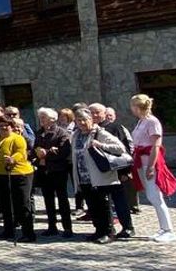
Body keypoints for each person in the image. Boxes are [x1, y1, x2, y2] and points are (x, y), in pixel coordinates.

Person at [70, 108, 129, 244]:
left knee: (103, 205)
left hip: (99, 176)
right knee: (92, 206)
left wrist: (100, 144)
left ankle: (108, 232)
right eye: (79, 120)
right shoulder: (76, 135)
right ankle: (98, 230)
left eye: (85, 120)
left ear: (91, 120)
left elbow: (120, 148)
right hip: (83, 177)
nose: (82, 123)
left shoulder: (99, 133)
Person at [129, 94, 176, 243]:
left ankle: (169, 230)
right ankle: (163, 228)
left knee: (155, 196)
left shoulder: (152, 122)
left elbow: (156, 146)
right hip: (140, 162)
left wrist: (151, 166)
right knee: (151, 196)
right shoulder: (141, 122)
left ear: (137, 107)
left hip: (148, 162)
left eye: (132, 106)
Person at [89, 103, 136, 239]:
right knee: (104, 203)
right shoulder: (90, 130)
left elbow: (126, 150)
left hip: (116, 171)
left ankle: (128, 227)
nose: (95, 115)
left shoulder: (114, 127)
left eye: (97, 112)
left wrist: (126, 171)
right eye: (92, 113)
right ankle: (109, 229)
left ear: (104, 113)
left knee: (120, 201)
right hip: (99, 172)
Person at [34, 108, 74, 238]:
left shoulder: (61, 133)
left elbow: (64, 152)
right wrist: (38, 155)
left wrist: (47, 154)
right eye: (41, 117)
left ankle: (67, 228)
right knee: (48, 199)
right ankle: (52, 226)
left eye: (44, 117)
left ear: (52, 119)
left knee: (62, 199)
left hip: (58, 171)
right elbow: (34, 149)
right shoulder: (39, 133)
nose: (41, 120)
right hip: (44, 171)